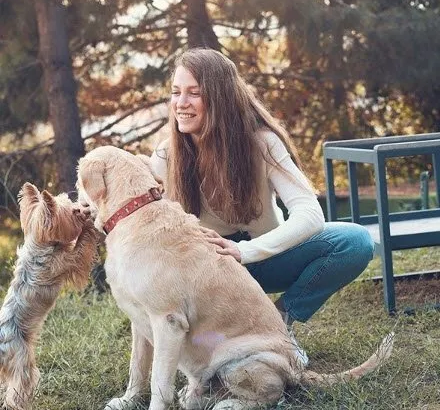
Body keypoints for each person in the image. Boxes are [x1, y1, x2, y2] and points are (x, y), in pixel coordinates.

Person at [150, 48, 374, 365]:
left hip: (264, 258)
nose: (181, 103)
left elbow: (310, 213)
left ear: (219, 97)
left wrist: (247, 251)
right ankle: (215, 343)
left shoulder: (262, 143)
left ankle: (278, 323)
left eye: (194, 93)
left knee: (354, 241)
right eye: (176, 93)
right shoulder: (164, 155)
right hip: (209, 277)